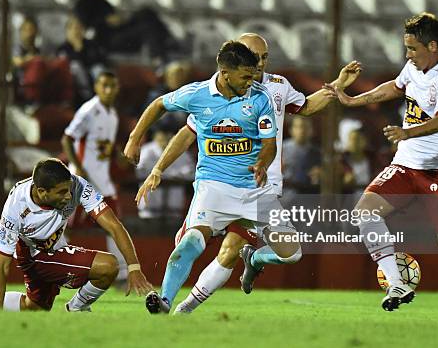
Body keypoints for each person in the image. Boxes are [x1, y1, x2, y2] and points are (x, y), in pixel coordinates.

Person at [134, 33, 360, 314]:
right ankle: (175, 305)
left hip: (263, 186)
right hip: (217, 184)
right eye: (254, 58)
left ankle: (251, 261)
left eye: (264, 58)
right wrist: (156, 167)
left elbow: (306, 108)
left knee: (281, 254)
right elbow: (186, 132)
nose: (259, 64)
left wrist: (336, 86)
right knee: (208, 245)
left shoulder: (275, 89)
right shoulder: (206, 95)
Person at [324, 12, 438, 322]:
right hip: (404, 164)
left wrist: (406, 132)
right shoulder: (416, 65)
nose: (407, 55)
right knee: (364, 213)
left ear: (432, 45)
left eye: (412, 49)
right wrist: (350, 100)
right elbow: (394, 86)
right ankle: (397, 284)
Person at [0, 158, 152, 312]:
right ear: (41, 192)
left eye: (69, 189)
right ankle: (77, 309)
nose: (68, 196)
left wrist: (133, 267)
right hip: (34, 253)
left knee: (35, 306)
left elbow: (114, 225)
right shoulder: (15, 206)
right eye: (62, 192)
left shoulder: (77, 185)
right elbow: (1, 264)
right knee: (108, 266)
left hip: (53, 245)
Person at [61, 71, 128, 283]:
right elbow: (67, 139)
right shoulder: (89, 110)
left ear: (118, 89)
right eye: (104, 85)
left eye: (112, 86)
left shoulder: (112, 114)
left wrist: (118, 155)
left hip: (103, 181)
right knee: (65, 226)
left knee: (114, 224)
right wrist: (78, 168)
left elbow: (104, 144)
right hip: (83, 181)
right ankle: (58, 268)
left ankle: (122, 275)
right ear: (96, 88)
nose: (108, 90)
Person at [73, 0, 180, 62]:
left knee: (146, 12)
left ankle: (166, 41)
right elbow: (84, 27)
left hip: (118, 32)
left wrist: (119, 20)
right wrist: (105, 21)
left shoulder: (103, 2)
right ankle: (158, 57)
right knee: (146, 27)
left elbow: (114, 19)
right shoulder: (83, 3)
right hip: (107, 40)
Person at [136, 127, 194, 219]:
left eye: (168, 134)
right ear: (156, 135)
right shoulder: (147, 150)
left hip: (174, 208)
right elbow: (140, 171)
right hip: (150, 208)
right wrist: (174, 174)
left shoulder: (181, 151)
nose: (165, 137)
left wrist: (161, 174)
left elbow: (191, 173)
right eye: (162, 134)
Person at [56, 15, 109, 109]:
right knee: (76, 67)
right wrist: (77, 50)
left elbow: (99, 60)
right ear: (67, 31)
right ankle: (88, 99)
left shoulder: (91, 44)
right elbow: (65, 65)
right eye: (73, 28)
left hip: (92, 78)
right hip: (74, 84)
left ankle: (104, 98)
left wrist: (81, 49)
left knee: (98, 69)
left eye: (79, 28)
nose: (76, 31)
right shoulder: (63, 49)